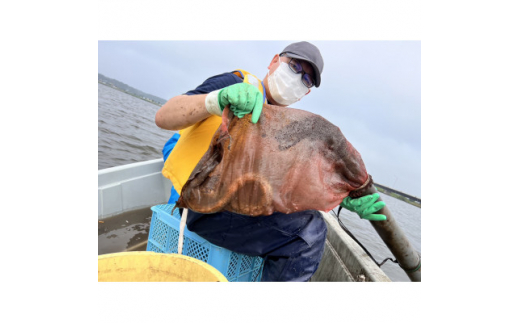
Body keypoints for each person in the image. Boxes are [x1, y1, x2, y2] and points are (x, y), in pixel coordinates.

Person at [155, 41, 386, 282]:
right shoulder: (238, 85)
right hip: (199, 203)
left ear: (305, 93)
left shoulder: (285, 130)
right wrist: (217, 100)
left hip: (232, 207)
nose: (297, 78)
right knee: (309, 234)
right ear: (274, 61)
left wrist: (338, 194)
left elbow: (285, 189)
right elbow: (164, 116)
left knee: (305, 218)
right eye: (295, 66)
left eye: (306, 80)